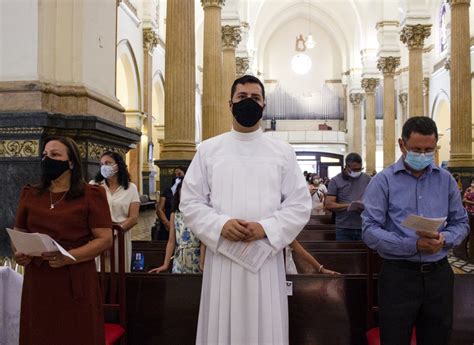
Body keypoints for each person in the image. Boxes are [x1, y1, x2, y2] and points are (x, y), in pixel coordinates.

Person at [180, 75, 312, 345]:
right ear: (230, 104)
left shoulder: (282, 152)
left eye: (255, 98)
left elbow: (299, 204)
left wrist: (266, 228)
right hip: (223, 257)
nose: (248, 103)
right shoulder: (208, 150)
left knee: (265, 328)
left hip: (264, 257)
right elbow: (190, 201)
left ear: (264, 105)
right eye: (242, 98)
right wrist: (220, 225)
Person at [362, 117, 469, 345]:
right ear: (402, 145)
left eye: (429, 150)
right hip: (398, 275)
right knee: (395, 338)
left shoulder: (446, 180)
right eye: (416, 149)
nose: (423, 155)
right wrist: (413, 245)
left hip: (438, 275)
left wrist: (445, 238)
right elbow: (370, 231)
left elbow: (461, 223)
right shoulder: (383, 182)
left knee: (437, 337)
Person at [13, 136, 113, 345]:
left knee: (74, 334)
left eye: (55, 155)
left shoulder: (90, 195)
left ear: (71, 162)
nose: (47, 159)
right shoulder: (31, 193)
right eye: (44, 155)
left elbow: (104, 239)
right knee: (39, 334)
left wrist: (69, 258)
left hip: (73, 278)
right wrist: (20, 252)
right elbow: (18, 231)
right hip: (39, 280)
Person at [90, 151, 140, 272]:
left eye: (108, 163)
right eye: (101, 164)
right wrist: (103, 237)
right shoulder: (94, 186)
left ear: (117, 165)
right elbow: (89, 213)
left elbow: (133, 218)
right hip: (99, 236)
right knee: (100, 271)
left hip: (121, 236)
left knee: (119, 270)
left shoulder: (130, 188)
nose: (104, 167)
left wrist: (114, 233)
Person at [149, 182, 205, 274]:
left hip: (195, 258)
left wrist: (202, 263)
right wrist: (165, 264)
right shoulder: (174, 215)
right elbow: (171, 241)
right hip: (179, 259)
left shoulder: (199, 214)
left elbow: (203, 242)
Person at [324, 153, 371, 240]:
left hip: (363, 225)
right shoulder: (335, 180)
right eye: (354, 169)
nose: (357, 172)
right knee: (344, 252)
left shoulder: (368, 179)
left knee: (363, 253)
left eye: (359, 169)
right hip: (343, 227)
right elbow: (329, 205)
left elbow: (374, 200)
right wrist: (350, 205)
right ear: (347, 166)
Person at [155, 167, 185, 241]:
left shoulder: (187, 190)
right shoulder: (168, 190)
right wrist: (167, 223)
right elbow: (159, 209)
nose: (177, 177)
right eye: (175, 174)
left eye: (179, 174)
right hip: (167, 222)